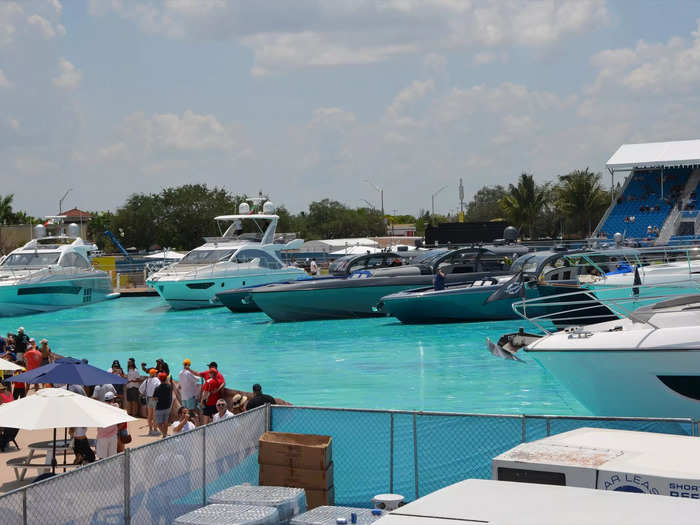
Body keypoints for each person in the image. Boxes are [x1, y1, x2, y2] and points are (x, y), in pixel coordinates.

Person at [95, 391, 119, 459]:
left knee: (102, 458)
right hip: (113, 435)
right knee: (112, 458)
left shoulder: (99, 407)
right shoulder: (115, 406)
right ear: (112, 399)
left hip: (102, 436)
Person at [139, 368, 161, 435]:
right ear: (154, 373)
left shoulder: (146, 380)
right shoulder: (157, 380)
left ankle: (150, 430)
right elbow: (159, 389)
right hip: (155, 398)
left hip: (148, 398)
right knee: (155, 415)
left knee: (149, 415)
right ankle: (155, 429)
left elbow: (140, 389)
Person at [153, 372, 172, 438]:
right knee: (165, 422)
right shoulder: (169, 386)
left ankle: (165, 434)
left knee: (158, 423)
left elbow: (154, 398)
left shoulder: (157, 388)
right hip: (167, 407)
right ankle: (165, 435)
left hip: (159, 407)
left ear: (159, 379)